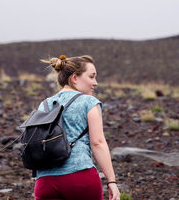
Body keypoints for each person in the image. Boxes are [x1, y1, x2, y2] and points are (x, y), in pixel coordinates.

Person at [34, 55, 120, 200]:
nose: (96, 83)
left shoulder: (45, 104)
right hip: (79, 177)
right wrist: (111, 180)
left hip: (45, 181)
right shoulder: (89, 102)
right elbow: (97, 143)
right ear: (74, 78)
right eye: (92, 77)